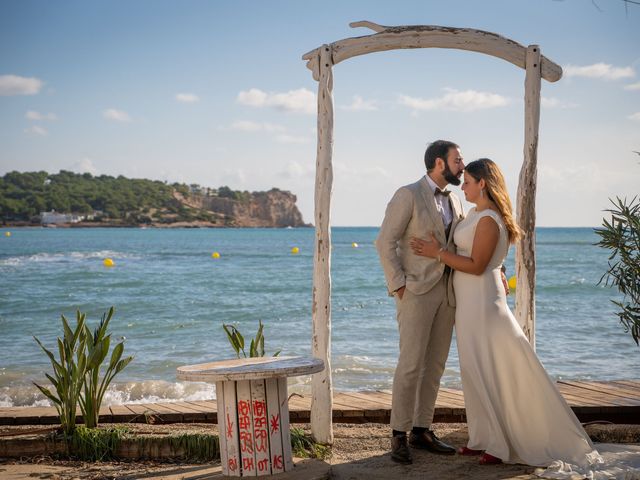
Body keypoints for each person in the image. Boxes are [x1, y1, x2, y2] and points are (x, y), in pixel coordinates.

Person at [409, 158, 602, 470]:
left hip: (483, 303)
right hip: (469, 303)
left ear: (482, 183)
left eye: (469, 181)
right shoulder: (474, 214)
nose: (464, 186)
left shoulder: (488, 219)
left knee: (492, 368)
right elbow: (481, 258)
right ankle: (482, 438)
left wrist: (437, 254)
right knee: (474, 369)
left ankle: (500, 445)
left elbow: (477, 265)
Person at [376, 140, 465, 464]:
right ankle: (398, 434)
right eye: (458, 160)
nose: (462, 165)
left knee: (436, 365)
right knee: (411, 364)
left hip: (447, 292)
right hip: (415, 291)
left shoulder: (455, 199)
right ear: (439, 163)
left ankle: (422, 429)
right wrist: (399, 285)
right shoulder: (408, 194)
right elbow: (384, 241)